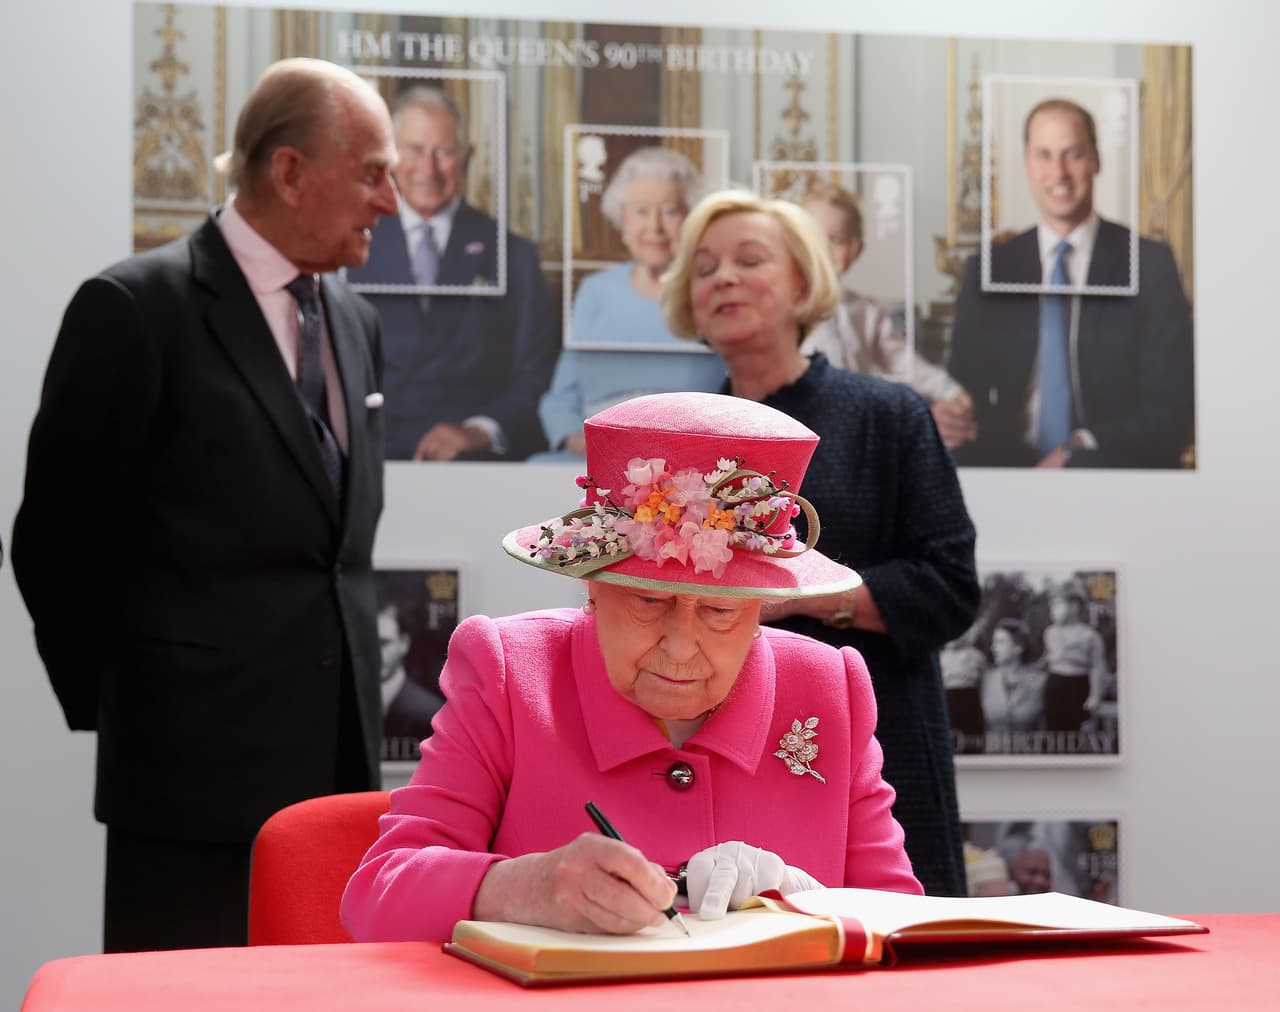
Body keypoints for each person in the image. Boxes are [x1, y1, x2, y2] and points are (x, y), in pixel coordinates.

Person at [10, 58, 397, 951]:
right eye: (372, 173)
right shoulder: (134, 308)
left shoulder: (356, 321)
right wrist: (140, 702)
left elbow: (337, 549)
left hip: (337, 777)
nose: (390, 200)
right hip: (186, 784)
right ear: (289, 171)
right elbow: (56, 544)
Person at [341, 391, 922, 941]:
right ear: (592, 586)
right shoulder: (509, 671)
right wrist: (524, 887)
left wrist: (810, 902)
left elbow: (905, 928)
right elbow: (378, 896)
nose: (680, 646)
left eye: (720, 610)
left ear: (761, 606)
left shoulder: (827, 688)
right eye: (648, 601)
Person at [659, 189, 981, 896]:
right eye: (705, 269)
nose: (724, 278)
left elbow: (950, 590)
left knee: (894, 942)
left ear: (804, 285)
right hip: (714, 743)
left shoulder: (889, 416)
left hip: (878, 736)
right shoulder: (678, 438)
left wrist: (799, 596)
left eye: (749, 260)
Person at [948, 97, 1195, 468]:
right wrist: (949, 417)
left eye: (1074, 154)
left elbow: (1172, 410)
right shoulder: (989, 268)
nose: (1059, 172)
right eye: (1044, 155)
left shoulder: (1148, 265)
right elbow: (963, 391)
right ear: (1027, 165)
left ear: (1096, 160)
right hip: (1008, 472)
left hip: (1112, 466)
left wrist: (1078, 448)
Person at [346, 84, 559, 461]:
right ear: (391, 155)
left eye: (443, 152)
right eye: (414, 150)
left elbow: (536, 373)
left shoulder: (512, 255)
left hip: (474, 461)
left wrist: (479, 430)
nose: (428, 169)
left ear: (467, 157)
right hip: (367, 452)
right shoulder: (350, 244)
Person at [534, 146, 725, 460]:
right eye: (640, 211)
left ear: (690, 217)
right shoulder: (595, 291)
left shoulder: (710, 292)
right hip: (595, 453)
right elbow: (561, 398)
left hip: (687, 455)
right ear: (622, 218)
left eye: (669, 210)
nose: (654, 227)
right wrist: (578, 440)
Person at [796, 183, 975, 449]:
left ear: (856, 249)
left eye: (836, 240)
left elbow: (904, 362)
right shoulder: (786, 307)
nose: (823, 249)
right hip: (798, 421)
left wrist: (949, 390)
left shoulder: (865, 313)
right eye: (812, 238)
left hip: (851, 429)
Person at [377, 601, 445, 761]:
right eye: (368, 644)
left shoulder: (430, 712)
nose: (375, 654)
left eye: (383, 643)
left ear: (404, 644)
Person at [1041, 580, 1109, 732]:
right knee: (1054, 731)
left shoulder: (1089, 635)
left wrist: (1095, 695)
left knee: (1077, 731)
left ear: (1074, 607)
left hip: (1078, 685)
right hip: (1054, 685)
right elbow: (1046, 659)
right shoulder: (1050, 632)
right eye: (1051, 605)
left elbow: (1097, 666)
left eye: (1057, 605)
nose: (1053, 610)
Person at [979, 618, 1050, 744]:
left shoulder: (1039, 682)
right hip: (992, 753)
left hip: (1029, 753)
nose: (993, 647)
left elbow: (1044, 729)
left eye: (1000, 642)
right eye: (994, 642)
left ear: (1018, 647)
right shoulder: (985, 680)